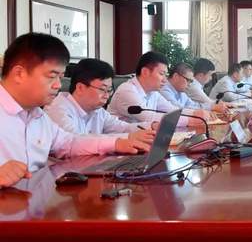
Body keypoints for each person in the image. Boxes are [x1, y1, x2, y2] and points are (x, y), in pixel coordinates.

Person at [0, 33, 149, 188]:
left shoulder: (38, 115)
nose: (58, 85)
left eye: (60, 77)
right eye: (52, 76)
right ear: (19, 74)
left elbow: (68, 143)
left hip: (35, 198)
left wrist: (116, 143)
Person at [46, 58, 157, 142]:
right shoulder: (58, 109)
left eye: (109, 90)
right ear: (80, 88)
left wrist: (151, 126)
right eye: (103, 89)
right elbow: (76, 141)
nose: (106, 95)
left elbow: (122, 128)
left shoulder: (98, 111)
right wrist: (128, 138)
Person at [107, 52, 208, 127]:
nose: (165, 79)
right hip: (119, 141)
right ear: (145, 72)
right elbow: (148, 117)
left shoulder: (153, 92)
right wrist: (188, 120)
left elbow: (171, 109)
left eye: (165, 75)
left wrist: (194, 114)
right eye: (161, 74)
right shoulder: (127, 90)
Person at [160, 62, 227, 114]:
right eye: (188, 80)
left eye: (191, 81)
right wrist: (212, 107)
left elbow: (193, 105)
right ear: (176, 76)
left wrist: (211, 107)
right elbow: (177, 110)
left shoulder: (181, 91)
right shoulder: (164, 89)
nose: (189, 84)